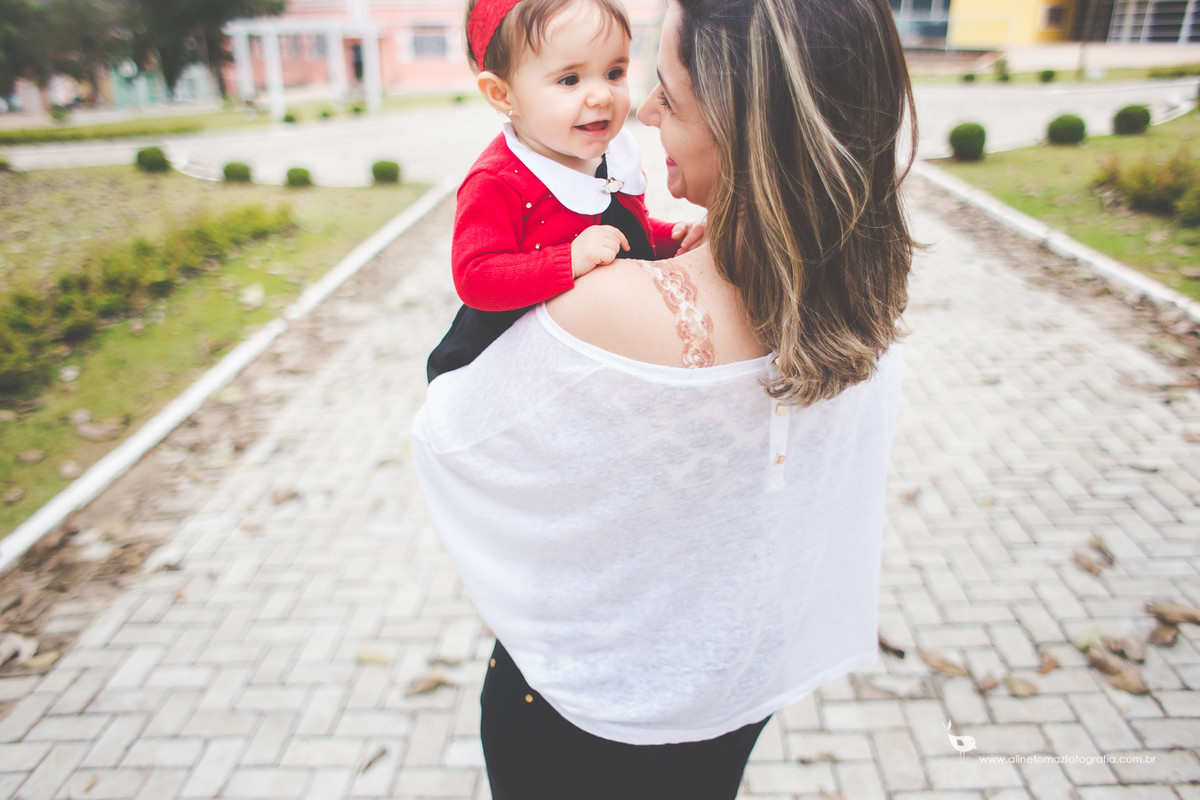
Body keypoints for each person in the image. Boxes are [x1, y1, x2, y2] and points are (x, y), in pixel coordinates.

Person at [412, 0, 916, 797]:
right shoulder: (865, 293)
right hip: (736, 684)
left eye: (665, 95)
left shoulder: (607, 308)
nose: (636, 109)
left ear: (748, 125)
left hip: (586, 710)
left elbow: (450, 437)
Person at [426, 0, 702, 381]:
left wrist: (668, 237)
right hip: (513, 361)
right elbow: (475, 276)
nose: (602, 96)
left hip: (594, 351)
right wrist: (568, 259)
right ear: (503, 95)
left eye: (613, 72)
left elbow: (617, 231)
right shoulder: (499, 179)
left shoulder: (612, 155)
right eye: (570, 80)